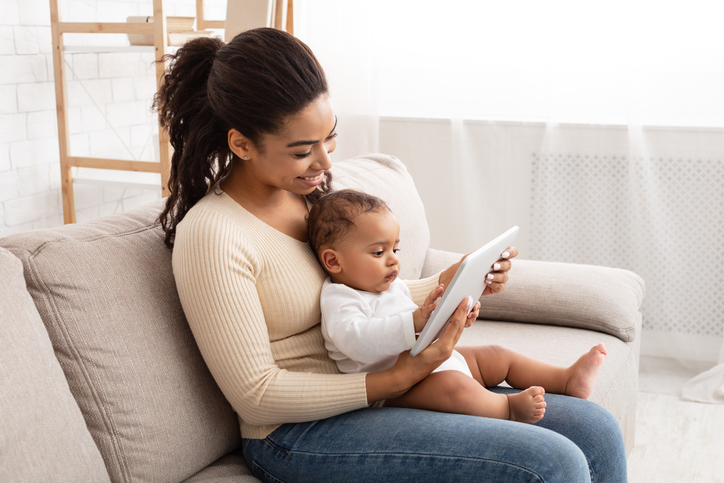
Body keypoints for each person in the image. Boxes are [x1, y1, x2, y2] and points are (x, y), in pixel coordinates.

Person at [153, 27, 628, 482]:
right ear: (241, 144)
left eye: (329, 138)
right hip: (294, 434)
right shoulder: (213, 236)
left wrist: (459, 279)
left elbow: (373, 294)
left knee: (594, 429)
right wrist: (400, 377)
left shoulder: (309, 199)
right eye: (302, 151)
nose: (325, 163)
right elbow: (257, 397)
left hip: (379, 385)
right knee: (551, 463)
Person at [308, 189, 608, 424]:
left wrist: (451, 315)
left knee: (497, 355)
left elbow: (419, 327)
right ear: (334, 261)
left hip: (428, 363)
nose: (394, 260)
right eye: (378, 252)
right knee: (453, 386)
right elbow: (357, 342)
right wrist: (414, 322)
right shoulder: (340, 299)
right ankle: (506, 409)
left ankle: (564, 379)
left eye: (395, 249)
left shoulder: (390, 285)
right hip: (395, 391)